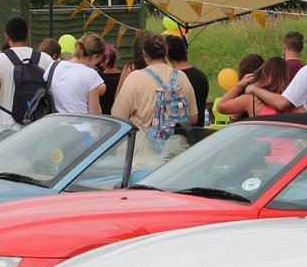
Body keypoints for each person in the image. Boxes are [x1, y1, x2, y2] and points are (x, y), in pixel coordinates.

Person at [111, 32, 199, 168]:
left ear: (144, 53)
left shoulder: (135, 78)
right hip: (175, 156)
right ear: (166, 51)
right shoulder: (181, 76)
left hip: (140, 157)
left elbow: (118, 117)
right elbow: (193, 118)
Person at [0, 15, 53, 134]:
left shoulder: (0, 59)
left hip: (8, 127)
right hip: (39, 127)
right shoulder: (45, 59)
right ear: (28, 34)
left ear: (6, 36)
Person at [46, 32, 107, 115]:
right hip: (80, 124)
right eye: (98, 63)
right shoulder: (91, 75)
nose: (97, 66)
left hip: (54, 124)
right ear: (94, 57)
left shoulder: (53, 66)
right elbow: (95, 114)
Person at [220, 56, 292, 119]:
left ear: (264, 72)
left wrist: (240, 85)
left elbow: (221, 107)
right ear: (286, 76)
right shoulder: (290, 98)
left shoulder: (251, 99)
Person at [167, 35, 208, 125]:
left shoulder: (172, 78)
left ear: (167, 55)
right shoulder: (201, 76)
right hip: (199, 131)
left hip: (180, 132)